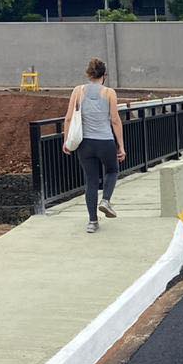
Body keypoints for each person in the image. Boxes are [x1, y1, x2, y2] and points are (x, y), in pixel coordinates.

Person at [62, 58, 127, 233]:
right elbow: (115, 120)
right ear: (104, 75)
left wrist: (67, 140)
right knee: (112, 171)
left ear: (89, 74)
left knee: (90, 181)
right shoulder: (109, 93)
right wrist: (121, 146)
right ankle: (105, 200)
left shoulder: (78, 91)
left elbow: (68, 118)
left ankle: (92, 222)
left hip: (85, 144)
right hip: (105, 142)